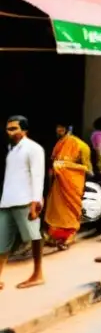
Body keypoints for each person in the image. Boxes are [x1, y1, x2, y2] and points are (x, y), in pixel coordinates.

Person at [0, 116, 46, 289]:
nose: (9, 132)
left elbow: (37, 175)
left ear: (24, 130)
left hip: (25, 200)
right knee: (2, 241)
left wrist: (36, 201)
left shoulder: (33, 149)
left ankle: (38, 274)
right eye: (8, 129)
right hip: (7, 201)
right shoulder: (12, 150)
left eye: (13, 128)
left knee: (34, 237)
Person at [42, 121, 92, 249]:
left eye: (62, 127)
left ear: (69, 128)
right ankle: (55, 236)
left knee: (71, 211)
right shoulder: (58, 144)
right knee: (56, 210)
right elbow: (53, 162)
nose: (59, 130)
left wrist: (65, 165)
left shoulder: (82, 146)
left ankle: (69, 237)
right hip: (58, 184)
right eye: (58, 127)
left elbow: (88, 168)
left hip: (73, 184)